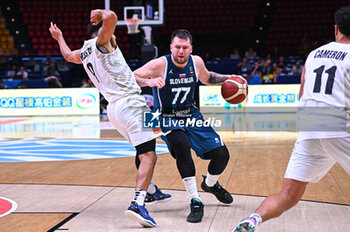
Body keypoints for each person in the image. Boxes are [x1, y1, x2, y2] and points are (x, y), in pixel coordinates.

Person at [49, 9, 171, 228]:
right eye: (109, 32)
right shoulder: (101, 42)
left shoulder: (84, 51)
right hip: (132, 105)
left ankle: (151, 190)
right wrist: (102, 13)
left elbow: (67, 56)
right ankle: (138, 203)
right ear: (101, 32)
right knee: (149, 156)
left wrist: (60, 38)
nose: (114, 36)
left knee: (143, 150)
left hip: (115, 109)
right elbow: (112, 17)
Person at [232, 5, 350, 232]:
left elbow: (302, 93)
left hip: (309, 125)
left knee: (287, 195)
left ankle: (252, 220)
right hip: (338, 124)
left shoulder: (315, 54)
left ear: (336, 29)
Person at [134, 29, 240, 223]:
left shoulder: (196, 62)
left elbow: (207, 78)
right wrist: (148, 80)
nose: (181, 51)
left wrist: (229, 77)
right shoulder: (160, 64)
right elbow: (132, 77)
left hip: (191, 114)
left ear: (191, 48)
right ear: (171, 47)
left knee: (221, 155)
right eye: (177, 47)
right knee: (182, 145)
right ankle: (195, 200)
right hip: (166, 116)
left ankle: (210, 184)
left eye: (184, 47)